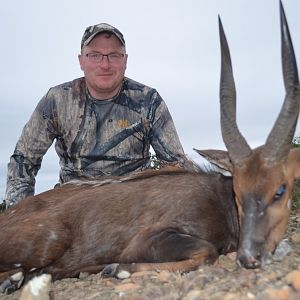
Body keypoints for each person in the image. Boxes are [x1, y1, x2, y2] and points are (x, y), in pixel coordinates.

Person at [4, 23, 188, 207]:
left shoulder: (148, 100)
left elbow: (176, 168)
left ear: (125, 60)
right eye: (94, 55)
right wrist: (19, 214)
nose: (105, 64)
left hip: (134, 207)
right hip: (70, 207)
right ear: (81, 60)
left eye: (114, 55)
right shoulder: (57, 99)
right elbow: (24, 159)